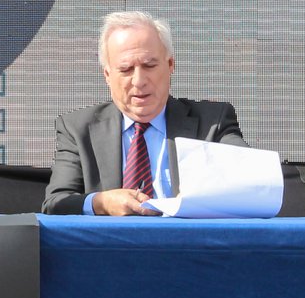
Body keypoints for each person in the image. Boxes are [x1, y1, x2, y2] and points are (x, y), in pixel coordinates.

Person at [42, 11, 246, 215]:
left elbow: (250, 177)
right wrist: (101, 202)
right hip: (110, 245)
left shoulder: (212, 123)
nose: (139, 81)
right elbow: (55, 203)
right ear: (107, 75)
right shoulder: (78, 129)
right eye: (125, 69)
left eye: (149, 65)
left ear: (170, 65)